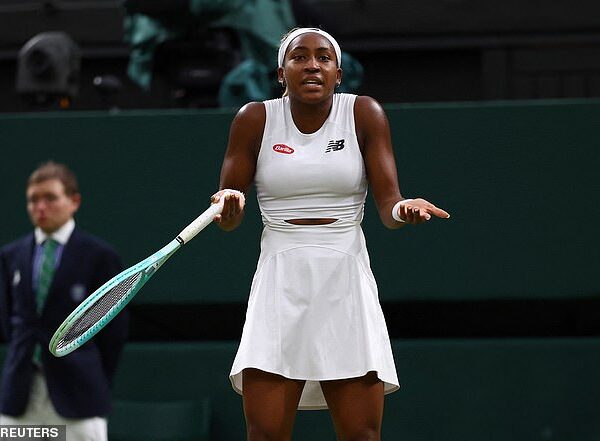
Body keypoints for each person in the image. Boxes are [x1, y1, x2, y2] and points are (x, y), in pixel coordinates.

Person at [212, 27, 450, 441]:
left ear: (338, 74)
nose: (311, 65)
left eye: (323, 58)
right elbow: (229, 216)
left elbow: (388, 207)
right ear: (281, 72)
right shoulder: (254, 119)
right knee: (264, 433)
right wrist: (229, 209)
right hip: (279, 280)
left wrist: (403, 209)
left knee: (361, 434)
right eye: (299, 57)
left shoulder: (364, 113)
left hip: (345, 280)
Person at [0, 161, 128, 441]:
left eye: (50, 198)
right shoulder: (11, 256)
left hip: (79, 395)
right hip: (20, 394)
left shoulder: (99, 256)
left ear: (74, 201)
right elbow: (9, 322)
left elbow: (113, 333)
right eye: (33, 200)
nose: (40, 207)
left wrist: (88, 373)